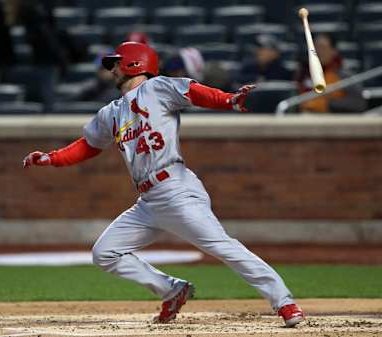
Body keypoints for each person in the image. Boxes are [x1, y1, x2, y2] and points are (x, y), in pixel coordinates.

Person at [23, 42, 305, 327]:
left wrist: (228, 100)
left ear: (134, 63)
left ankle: (285, 302)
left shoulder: (156, 89)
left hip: (176, 189)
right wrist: (51, 158)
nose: (112, 69)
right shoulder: (112, 112)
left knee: (223, 247)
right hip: (147, 202)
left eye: (117, 63)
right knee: (105, 253)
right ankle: (172, 289)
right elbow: (89, 145)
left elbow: (193, 91)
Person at [296, 33, 366, 113]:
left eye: (323, 48)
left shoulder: (344, 75)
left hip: (334, 121)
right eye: (316, 48)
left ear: (333, 51)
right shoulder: (303, 73)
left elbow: (359, 104)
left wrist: (326, 104)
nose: (319, 51)